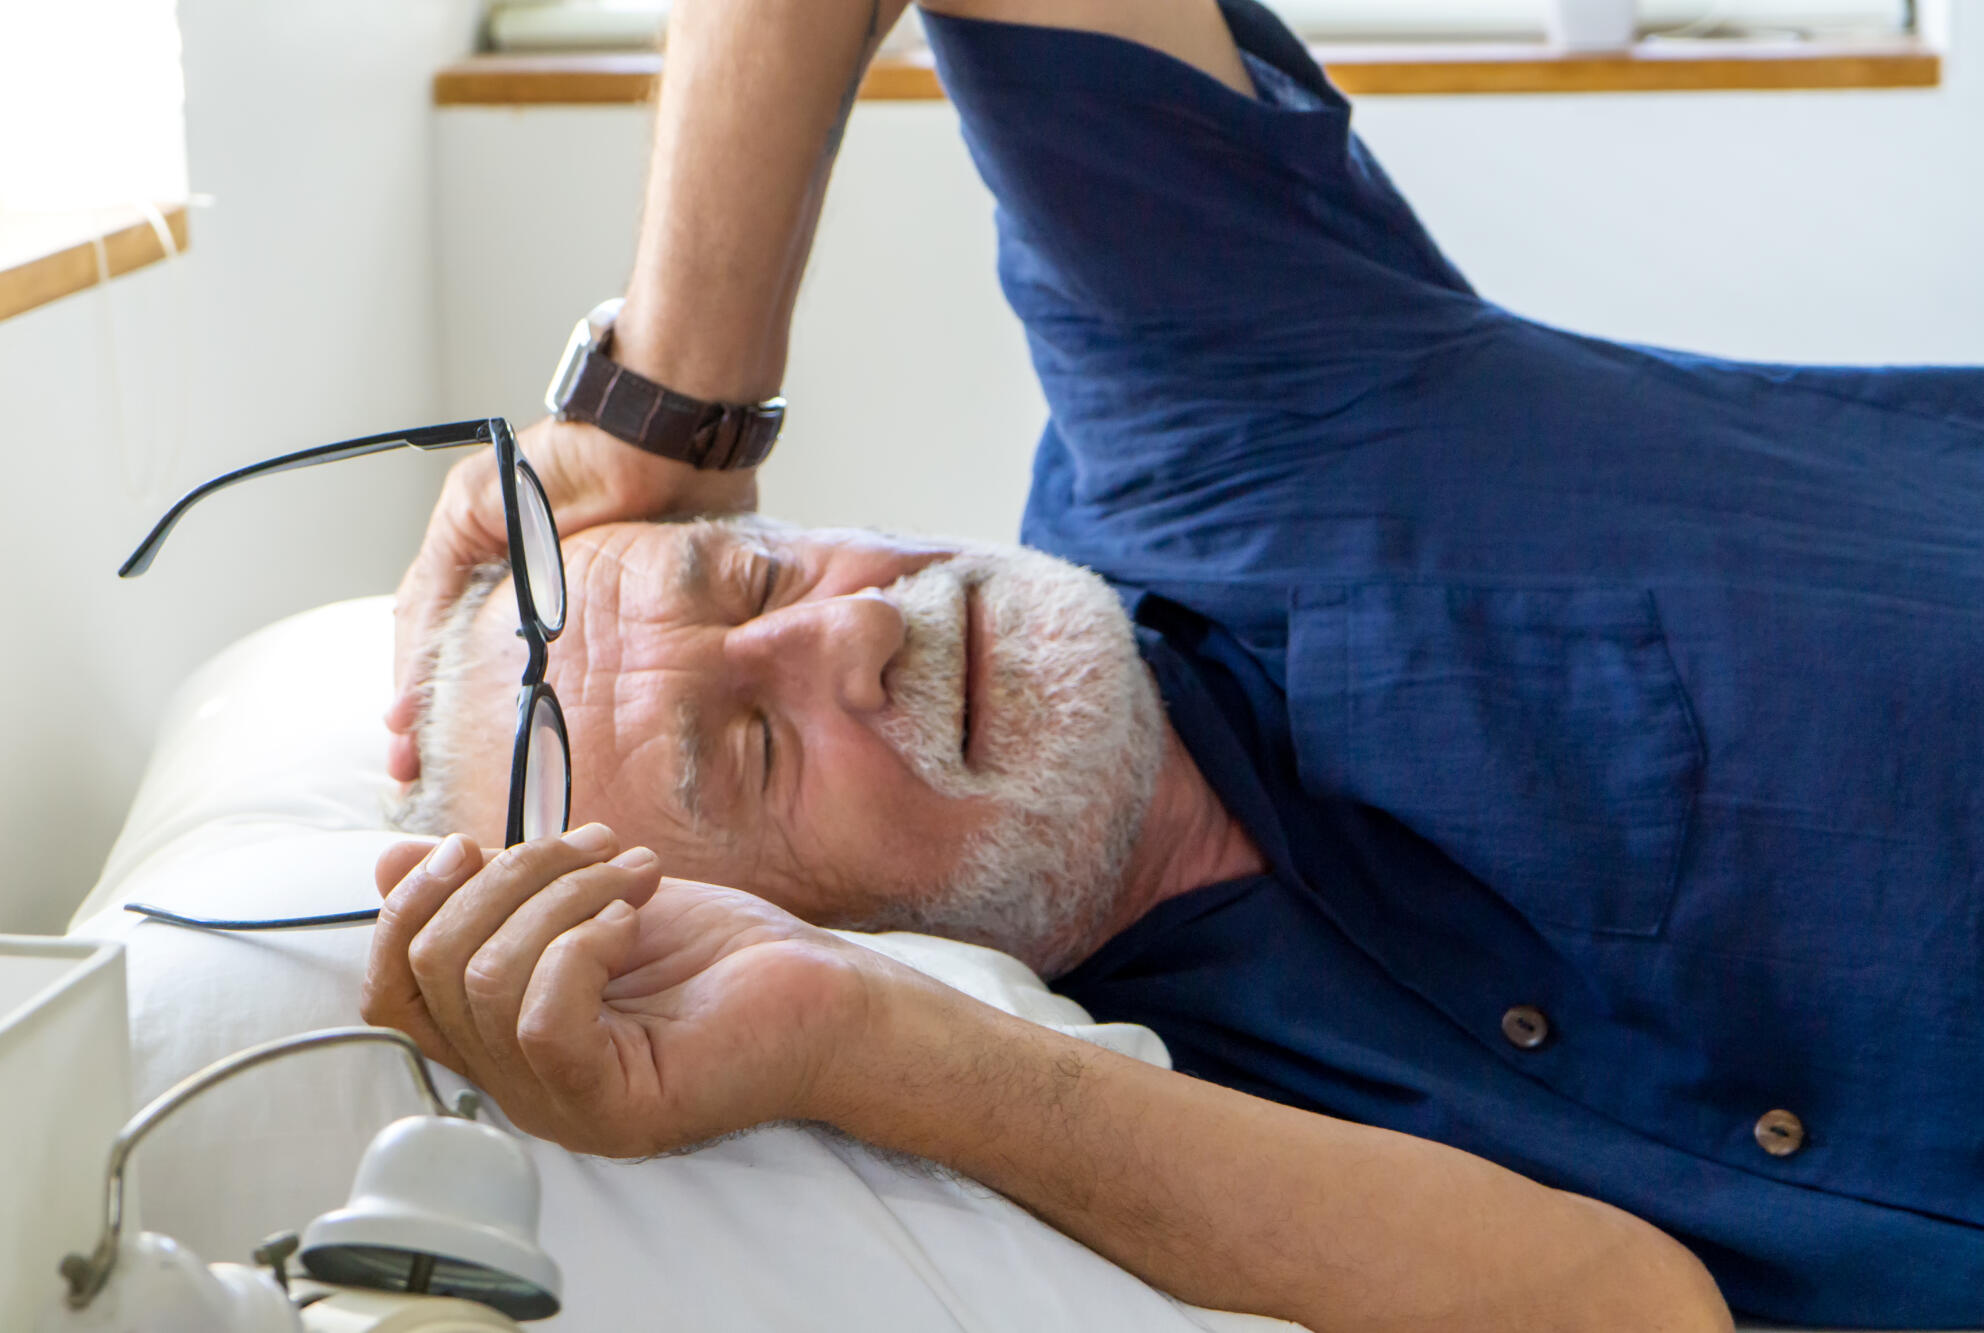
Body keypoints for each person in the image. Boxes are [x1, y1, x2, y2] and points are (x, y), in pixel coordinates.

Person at [368, 0, 1984, 1325]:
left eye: (758, 569)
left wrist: (670, 407)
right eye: (756, 748)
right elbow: (1629, 1312)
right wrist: (856, 1035)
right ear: (773, 919)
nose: (848, 628)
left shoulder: (1215, 411)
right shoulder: (1159, 1136)